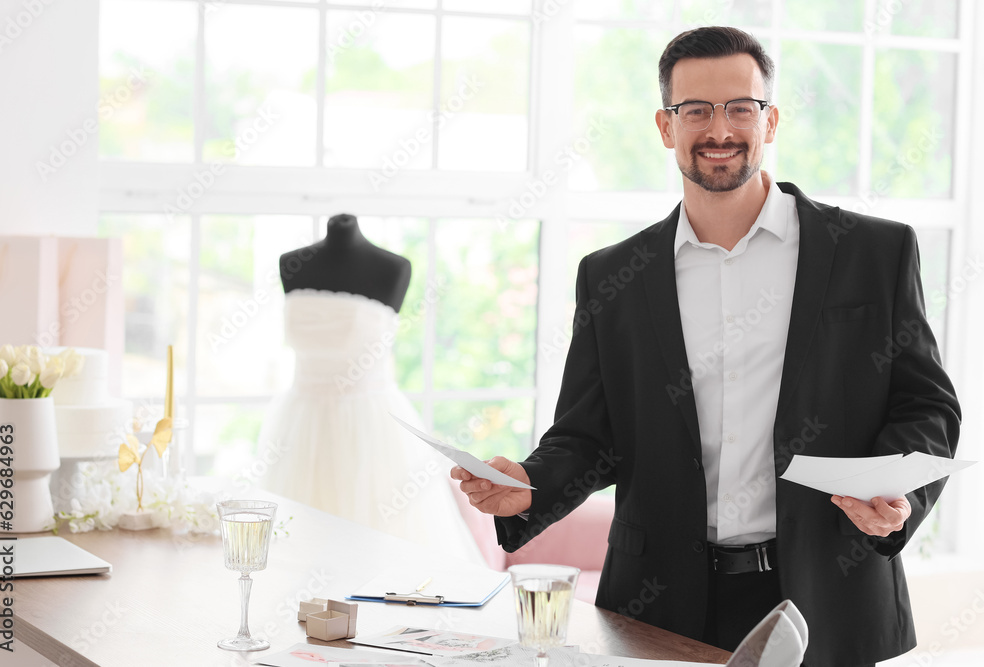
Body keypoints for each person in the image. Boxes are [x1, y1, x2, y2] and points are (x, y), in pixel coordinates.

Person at [452, 26, 960, 667]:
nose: (719, 129)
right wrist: (529, 485)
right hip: (660, 601)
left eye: (739, 108)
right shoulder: (613, 276)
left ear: (769, 120)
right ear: (666, 127)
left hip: (829, 594)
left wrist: (898, 497)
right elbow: (589, 434)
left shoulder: (875, 253)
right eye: (695, 110)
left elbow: (927, 406)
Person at [260, 213, 484, 565]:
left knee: (379, 551)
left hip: (370, 426)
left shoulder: (392, 268)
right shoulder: (290, 263)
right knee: (293, 552)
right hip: (300, 424)